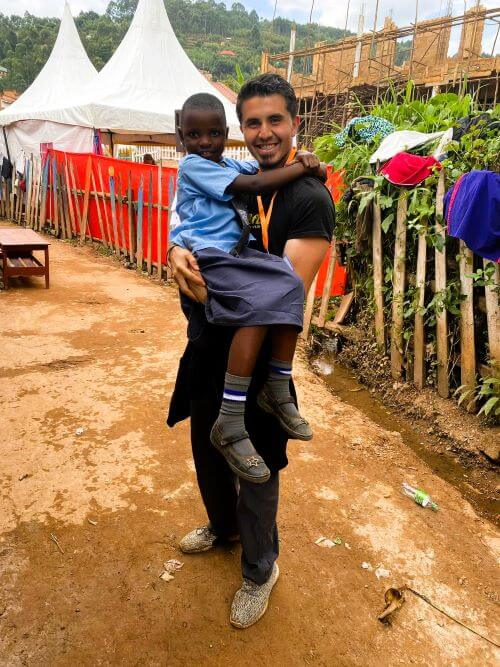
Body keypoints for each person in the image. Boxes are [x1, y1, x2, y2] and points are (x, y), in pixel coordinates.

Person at [167, 73, 335, 628]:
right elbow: (189, 216)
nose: (264, 133)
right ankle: (222, 527)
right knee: (207, 449)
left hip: (256, 369)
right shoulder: (238, 172)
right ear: (243, 129)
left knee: (259, 469)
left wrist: (197, 267)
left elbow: (283, 292)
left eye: (276, 121)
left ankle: (260, 569)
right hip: (207, 348)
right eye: (254, 123)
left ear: (295, 123)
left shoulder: (306, 196)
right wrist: (174, 249)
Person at [171, 92, 324, 485]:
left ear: (225, 134)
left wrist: (307, 163)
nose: (204, 142)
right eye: (193, 134)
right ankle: (232, 417)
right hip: (214, 258)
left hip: (238, 260)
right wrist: (304, 168)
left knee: (288, 285)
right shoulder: (192, 165)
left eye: (212, 134)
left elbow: (254, 174)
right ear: (182, 136)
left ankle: (275, 385)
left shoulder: (302, 197)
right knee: (261, 302)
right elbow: (252, 185)